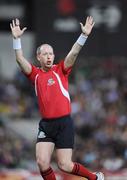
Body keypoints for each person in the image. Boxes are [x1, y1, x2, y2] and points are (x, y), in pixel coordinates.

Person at [10, 16, 104, 180]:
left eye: (51, 53)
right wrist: (16, 39)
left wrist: (84, 36)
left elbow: (73, 53)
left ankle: (95, 178)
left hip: (63, 123)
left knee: (65, 165)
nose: (48, 56)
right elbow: (19, 59)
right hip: (46, 125)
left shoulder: (61, 70)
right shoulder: (35, 75)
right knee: (42, 162)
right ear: (38, 57)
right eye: (45, 54)